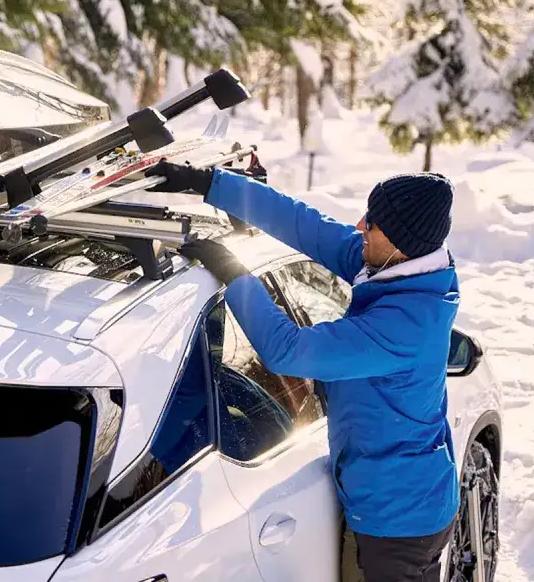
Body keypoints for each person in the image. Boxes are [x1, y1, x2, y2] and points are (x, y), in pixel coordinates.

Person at [147, 160, 461, 582]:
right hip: (396, 497)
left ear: (403, 243)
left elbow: (287, 350)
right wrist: (208, 182)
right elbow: (304, 224)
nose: (361, 224)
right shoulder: (395, 267)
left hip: (398, 524)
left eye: (374, 223)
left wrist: (235, 274)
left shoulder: (405, 325)